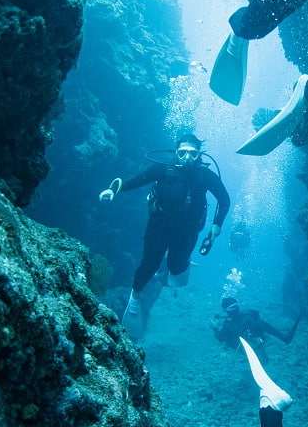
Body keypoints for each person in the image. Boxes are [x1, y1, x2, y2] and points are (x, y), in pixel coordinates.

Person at [98, 134, 231, 337]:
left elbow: (224, 199)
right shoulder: (163, 170)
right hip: (158, 227)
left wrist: (217, 225)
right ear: (176, 154)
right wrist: (113, 190)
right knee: (148, 265)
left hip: (187, 231)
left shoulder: (204, 176)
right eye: (182, 152)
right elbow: (138, 180)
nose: (187, 157)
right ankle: (134, 299)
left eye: (192, 154)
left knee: (176, 268)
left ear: (199, 155)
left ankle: (181, 264)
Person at [213, 295, 299, 365]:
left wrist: (214, 327)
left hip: (244, 349)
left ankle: (252, 363)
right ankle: (283, 337)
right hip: (260, 341)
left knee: (228, 337)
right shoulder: (249, 313)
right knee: (257, 321)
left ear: (225, 310)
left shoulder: (228, 324)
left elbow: (220, 338)